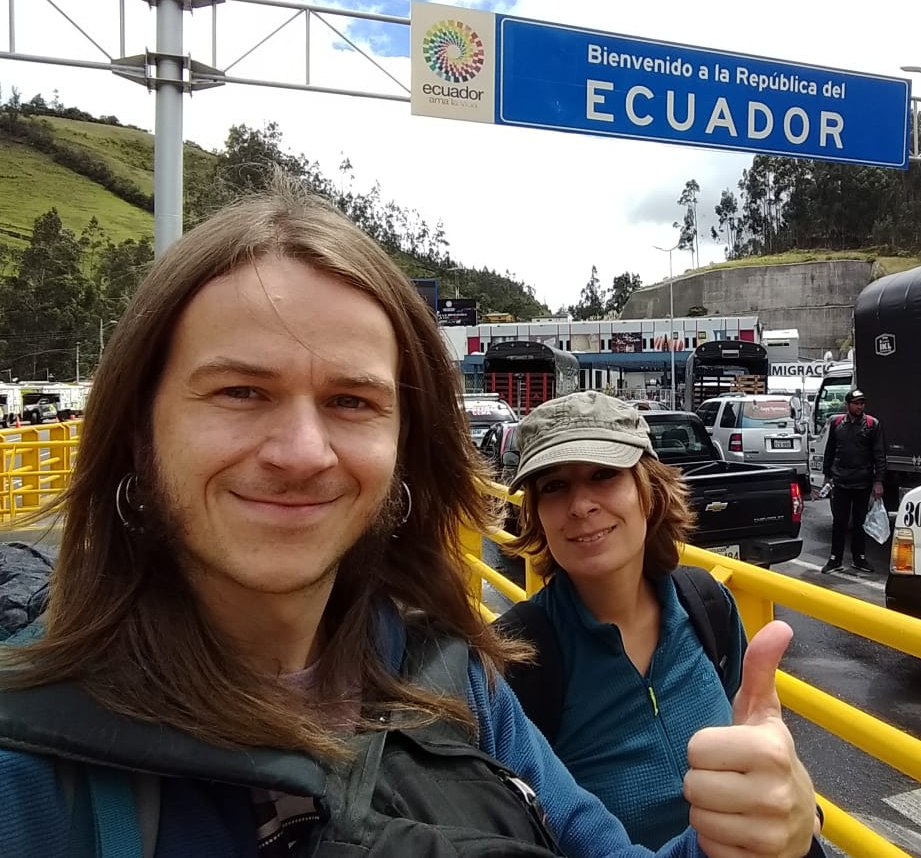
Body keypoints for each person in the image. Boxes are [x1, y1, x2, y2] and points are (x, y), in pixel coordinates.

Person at [0, 178, 817, 858]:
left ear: (402, 455)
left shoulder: (452, 677)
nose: (301, 450)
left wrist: (748, 844)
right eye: (240, 391)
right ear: (139, 433)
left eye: (352, 401)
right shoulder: (33, 755)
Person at [497, 391, 820, 851]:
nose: (580, 505)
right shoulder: (513, 656)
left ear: (648, 491)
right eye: (553, 486)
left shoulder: (707, 606)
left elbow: (759, 754)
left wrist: (800, 809)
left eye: (604, 474)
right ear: (536, 513)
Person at [821, 389, 887, 574]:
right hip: (840, 481)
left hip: (862, 482)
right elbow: (830, 450)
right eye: (856, 403)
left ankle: (859, 559)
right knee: (839, 522)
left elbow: (879, 455)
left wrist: (878, 481)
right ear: (847, 405)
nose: (860, 406)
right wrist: (827, 476)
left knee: (859, 523)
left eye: (862, 403)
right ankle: (835, 559)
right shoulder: (837, 423)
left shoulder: (872, 424)